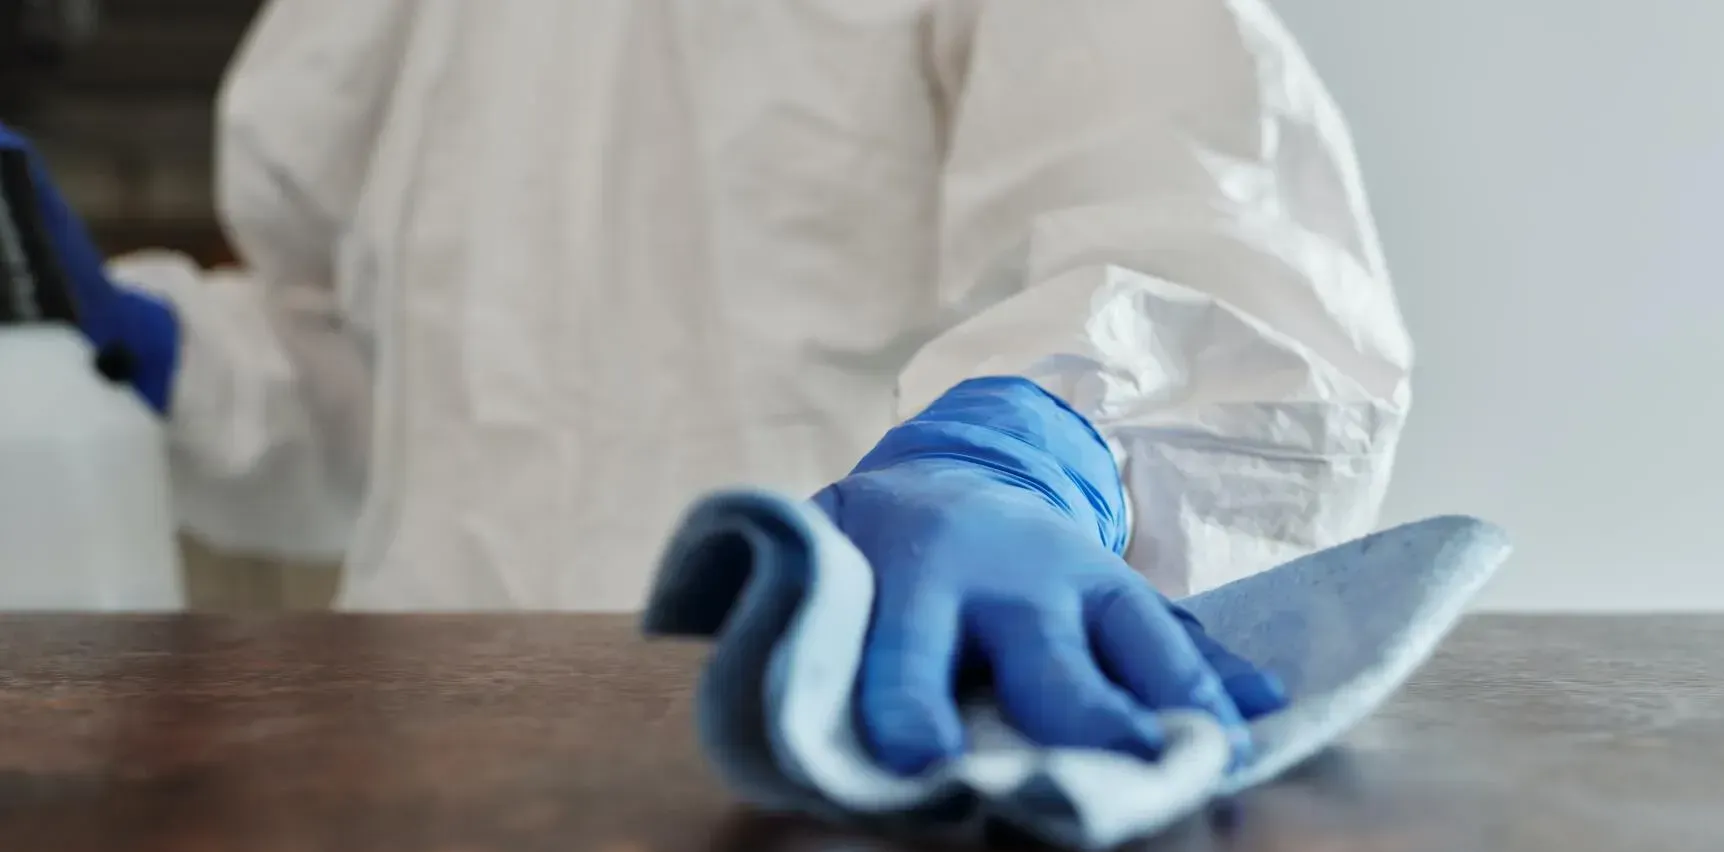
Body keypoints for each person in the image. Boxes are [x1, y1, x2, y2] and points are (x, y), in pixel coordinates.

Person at [0, 0, 1410, 774]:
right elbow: (383, 403)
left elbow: (1221, 248)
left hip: (851, 743)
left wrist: (1036, 443)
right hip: (426, 768)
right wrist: (155, 347)